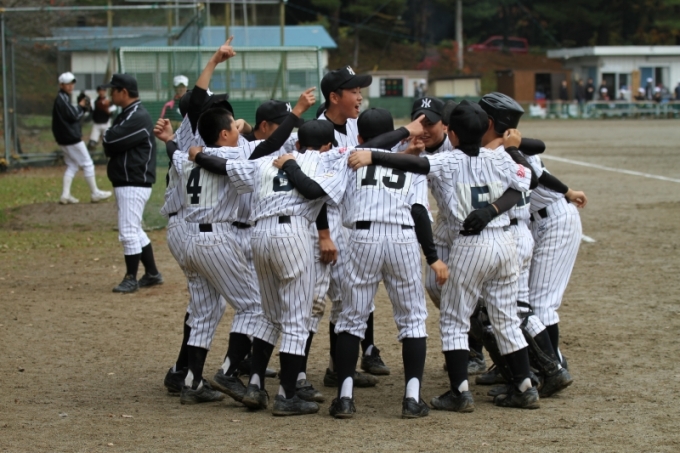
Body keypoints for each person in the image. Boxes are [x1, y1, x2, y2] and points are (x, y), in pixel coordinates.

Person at [348, 100, 541, 410]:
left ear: (452, 133)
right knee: (505, 318)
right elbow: (527, 181)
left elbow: (414, 166)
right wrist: (497, 197)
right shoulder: (500, 157)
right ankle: (524, 386)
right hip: (505, 242)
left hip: (471, 245)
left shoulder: (448, 160)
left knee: (453, 320)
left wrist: (373, 155)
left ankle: (459, 392)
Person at [315, 66, 391, 384]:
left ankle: (345, 364)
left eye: (361, 91)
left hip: (348, 220)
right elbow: (314, 187)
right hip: (325, 222)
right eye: (354, 91)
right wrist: (324, 234)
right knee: (316, 302)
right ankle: (298, 377)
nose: (360, 97)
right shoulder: (317, 131)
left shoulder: (354, 125)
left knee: (352, 295)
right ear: (335, 97)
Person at [102, 73, 162, 294]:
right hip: (129, 180)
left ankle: (130, 278)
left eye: (114, 90)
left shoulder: (138, 116)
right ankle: (152, 273)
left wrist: (109, 138)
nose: (111, 93)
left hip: (133, 181)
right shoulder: (128, 113)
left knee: (128, 231)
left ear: (124, 92)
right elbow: (110, 142)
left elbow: (109, 140)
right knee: (134, 229)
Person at [51, 72, 112, 205]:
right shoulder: (62, 98)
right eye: (67, 83)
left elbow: (73, 114)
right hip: (70, 138)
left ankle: (65, 195)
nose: (71, 86)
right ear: (61, 85)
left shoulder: (63, 98)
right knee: (88, 163)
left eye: (72, 83)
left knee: (72, 165)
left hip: (64, 138)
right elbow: (73, 115)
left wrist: (82, 107)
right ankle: (95, 192)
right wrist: (81, 106)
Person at [88, 85, 115, 151]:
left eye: (103, 90)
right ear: (98, 92)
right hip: (96, 124)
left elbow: (111, 114)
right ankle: (92, 155)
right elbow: (91, 112)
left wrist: (105, 108)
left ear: (105, 91)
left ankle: (107, 155)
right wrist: (89, 105)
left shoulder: (109, 102)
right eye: (100, 91)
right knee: (92, 143)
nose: (101, 92)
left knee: (108, 142)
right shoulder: (94, 102)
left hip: (106, 124)